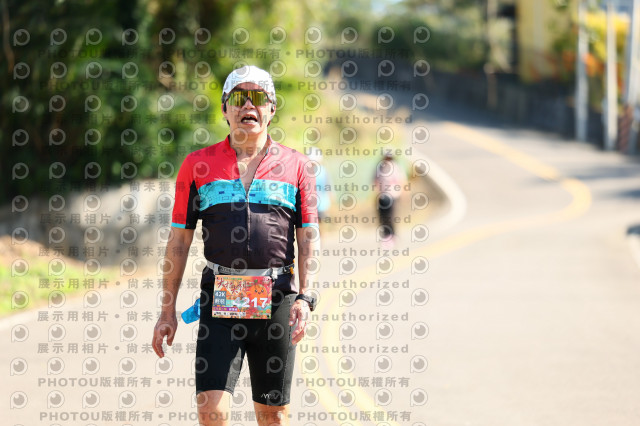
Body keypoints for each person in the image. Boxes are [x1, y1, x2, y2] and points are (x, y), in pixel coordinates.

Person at [152, 65, 320, 426]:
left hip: (277, 297)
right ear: (225, 109)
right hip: (220, 299)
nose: (248, 105)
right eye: (239, 98)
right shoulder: (197, 165)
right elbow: (179, 238)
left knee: (274, 416)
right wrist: (167, 310)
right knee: (211, 411)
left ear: (272, 109)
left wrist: (306, 297)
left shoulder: (298, 166)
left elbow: (307, 236)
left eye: (258, 97)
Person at [373, 150, 406, 247]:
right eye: (386, 157)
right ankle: (385, 235)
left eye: (389, 158)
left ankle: (392, 235)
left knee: (390, 216)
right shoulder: (380, 167)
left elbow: (402, 181)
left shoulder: (396, 167)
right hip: (383, 195)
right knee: (382, 216)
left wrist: (404, 194)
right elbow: (376, 181)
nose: (388, 160)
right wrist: (377, 193)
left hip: (393, 195)